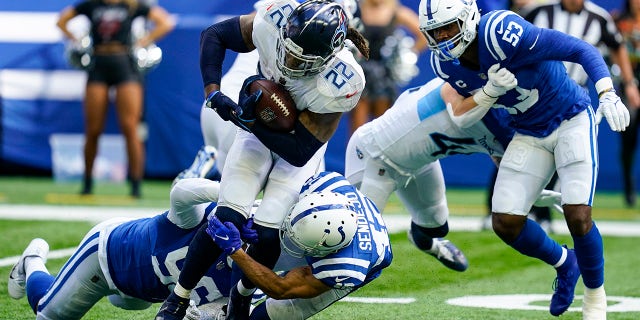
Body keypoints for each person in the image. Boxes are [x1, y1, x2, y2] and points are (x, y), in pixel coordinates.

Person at [155, 1, 369, 319]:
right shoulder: (274, 19)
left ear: (327, 58)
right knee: (226, 218)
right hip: (255, 132)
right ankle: (178, 298)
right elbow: (214, 35)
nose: (290, 59)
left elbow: (299, 150)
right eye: (290, 49)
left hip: (297, 150)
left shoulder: (342, 80)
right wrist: (213, 91)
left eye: (301, 58)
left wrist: (252, 120)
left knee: (269, 231)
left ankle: (240, 297)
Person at [419, 1, 630, 319]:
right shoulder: (444, 65)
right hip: (527, 131)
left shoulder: (501, 32)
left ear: (469, 18)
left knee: (577, 214)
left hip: (569, 115)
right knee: (505, 222)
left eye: (448, 27)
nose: (443, 37)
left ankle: (595, 297)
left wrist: (607, 91)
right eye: (435, 32)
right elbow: (480, 114)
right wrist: (498, 143)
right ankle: (565, 262)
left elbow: (579, 49)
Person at [7, 178, 235, 319]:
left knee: (125, 302)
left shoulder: (257, 271)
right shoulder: (205, 216)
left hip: (143, 294)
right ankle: (32, 259)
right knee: (47, 313)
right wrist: (231, 195)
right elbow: (181, 191)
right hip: (106, 257)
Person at [208, 171, 393, 320]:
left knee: (266, 316)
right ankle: (238, 298)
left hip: (346, 264)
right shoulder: (327, 184)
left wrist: (235, 251)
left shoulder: (346, 266)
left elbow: (282, 289)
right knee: (260, 244)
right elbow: (285, 195)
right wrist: (258, 221)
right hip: (324, 230)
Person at [56, 0, 175, 198]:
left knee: (130, 127)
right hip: (98, 64)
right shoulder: (92, 4)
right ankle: (87, 184)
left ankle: (136, 185)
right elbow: (62, 20)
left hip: (125, 64)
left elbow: (165, 22)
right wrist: (75, 40)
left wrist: (144, 41)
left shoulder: (132, 4)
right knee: (93, 129)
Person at [348, 0, 427, 134]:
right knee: (357, 129)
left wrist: (408, 55)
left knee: (382, 128)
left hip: (383, 77)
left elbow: (424, 34)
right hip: (359, 74)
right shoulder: (357, 10)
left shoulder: (396, 11)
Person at [615, 0, 640, 207]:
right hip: (629, 84)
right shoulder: (618, 21)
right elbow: (609, 52)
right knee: (628, 136)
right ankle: (629, 188)